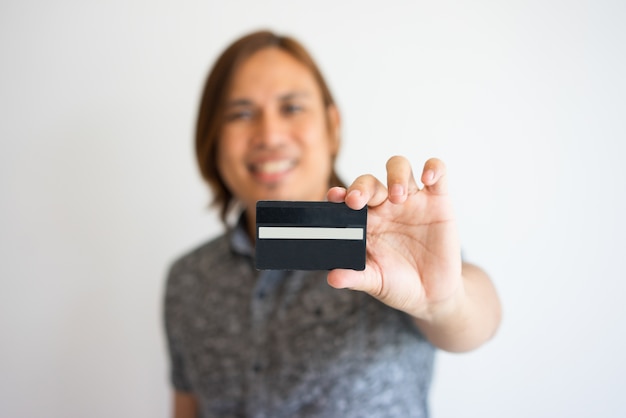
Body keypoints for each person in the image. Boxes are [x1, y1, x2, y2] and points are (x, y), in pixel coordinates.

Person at [164, 30, 501, 418]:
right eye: (241, 113)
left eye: (291, 107)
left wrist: (446, 303)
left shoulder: (391, 250)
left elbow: (476, 318)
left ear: (332, 125)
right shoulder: (187, 279)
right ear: (213, 139)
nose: (269, 135)